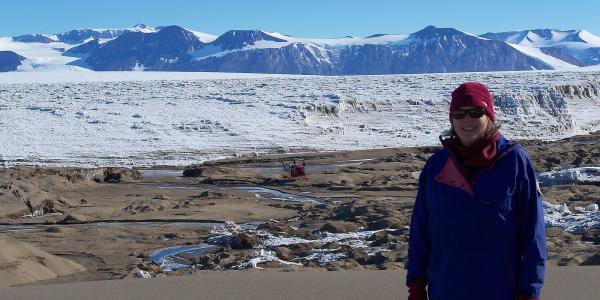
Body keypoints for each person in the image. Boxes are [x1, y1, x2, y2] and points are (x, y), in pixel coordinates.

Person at [406, 82, 546, 300]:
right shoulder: (436, 166)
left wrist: (529, 291)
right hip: (445, 291)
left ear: (489, 116)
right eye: (460, 113)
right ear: (451, 119)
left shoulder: (514, 161)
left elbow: (533, 233)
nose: (467, 119)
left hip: (501, 292)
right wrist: (416, 285)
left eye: (476, 112)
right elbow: (419, 231)